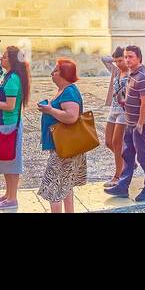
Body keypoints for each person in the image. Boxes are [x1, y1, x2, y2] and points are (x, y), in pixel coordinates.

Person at [104, 43, 145, 202]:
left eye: (130, 57)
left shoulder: (143, 77)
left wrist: (140, 124)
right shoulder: (132, 75)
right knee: (128, 154)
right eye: (125, 57)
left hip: (141, 125)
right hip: (130, 122)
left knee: (143, 157)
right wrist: (124, 101)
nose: (127, 60)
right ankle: (122, 186)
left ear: (139, 58)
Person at [37, 58, 87, 213]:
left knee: (54, 190)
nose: (52, 73)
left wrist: (50, 110)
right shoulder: (65, 90)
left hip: (65, 149)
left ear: (65, 74)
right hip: (64, 147)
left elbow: (71, 116)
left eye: (56, 70)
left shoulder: (70, 91)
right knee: (65, 186)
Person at [0, 44, 30, 209]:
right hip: (4, 123)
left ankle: (13, 198)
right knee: (5, 160)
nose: (0, 59)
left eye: (4, 57)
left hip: (10, 124)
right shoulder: (8, 76)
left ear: (11, 60)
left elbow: (10, 106)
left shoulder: (13, 79)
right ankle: (7, 193)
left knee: (12, 161)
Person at [100, 46, 128, 187]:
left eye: (120, 60)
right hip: (113, 109)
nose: (118, 63)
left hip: (125, 111)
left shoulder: (131, 72)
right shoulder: (116, 70)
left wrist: (126, 57)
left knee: (117, 143)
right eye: (116, 61)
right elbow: (104, 59)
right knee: (108, 142)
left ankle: (118, 176)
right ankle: (128, 160)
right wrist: (116, 58)